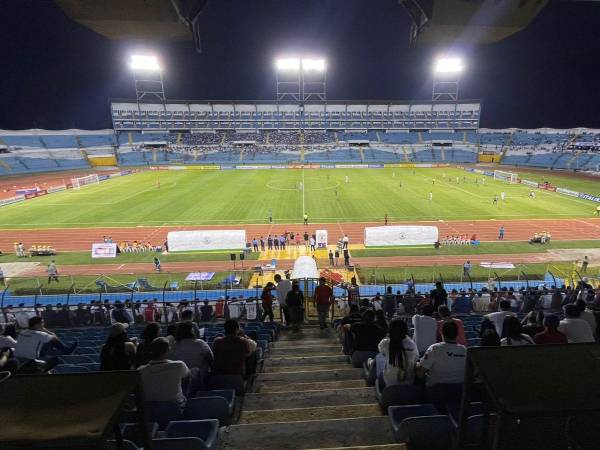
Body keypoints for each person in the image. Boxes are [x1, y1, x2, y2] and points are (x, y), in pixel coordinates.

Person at [139, 337, 190, 408]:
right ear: (168, 350)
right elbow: (187, 377)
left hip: (150, 410)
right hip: (175, 408)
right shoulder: (179, 365)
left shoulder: (140, 370)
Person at [416, 321, 467, 387]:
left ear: (441, 332)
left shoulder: (434, 348)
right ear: (457, 334)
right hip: (460, 394)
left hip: (436, 393)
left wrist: (417, 364)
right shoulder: (465, 350)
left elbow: (420, 373)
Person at [377, 319, 419, 387]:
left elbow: (380, 349)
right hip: (409, 384)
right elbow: (416, 358)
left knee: (379, 357)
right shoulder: (412, 344)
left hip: (390, 384)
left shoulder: (386, 343)